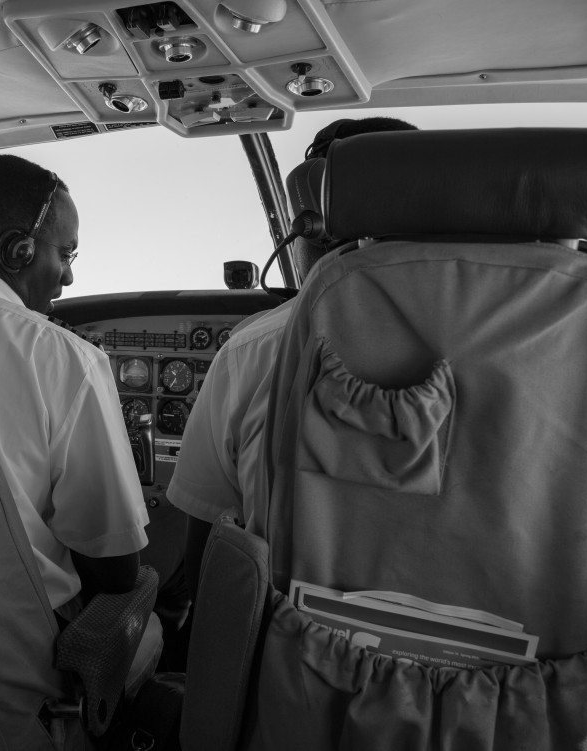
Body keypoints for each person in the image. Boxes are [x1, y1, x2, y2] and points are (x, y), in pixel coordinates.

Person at [166, 117, 418, 596]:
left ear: (316, 225)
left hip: (296, 648)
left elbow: (207, 544)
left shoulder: (253, 350)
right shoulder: (556, 344)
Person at [0, 155, 156, 650]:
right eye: (67, 254)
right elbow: (115, 566)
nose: (68, 277)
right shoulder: (62, 356)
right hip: (6, 649)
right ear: (18, 250)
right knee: (151, 627)